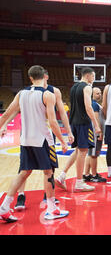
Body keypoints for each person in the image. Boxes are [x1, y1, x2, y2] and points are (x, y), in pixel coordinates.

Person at [0, 65, 69, 222]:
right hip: (42, 140)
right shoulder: (48, 95)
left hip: (25, 140)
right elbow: (52, 122)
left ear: (30, 78)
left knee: (24, 172)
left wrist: (1, 127)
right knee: (48, 172)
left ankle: (4, 207)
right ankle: (51, 209)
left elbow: (6, 115)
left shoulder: (21, 93)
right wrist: (63, 140)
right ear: (44, 76)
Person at [14, 69, 74, 210]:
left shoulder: (54, 92)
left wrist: (68, 131)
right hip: (29, 132)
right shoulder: (26, 92)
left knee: (49, 167)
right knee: (24, 167)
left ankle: (48, 197)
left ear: (46, 77)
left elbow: (62, 114)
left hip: (47, 133)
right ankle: (21, 196)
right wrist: (4, 124)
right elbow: (13, 111)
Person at [55, 67, 102, 192]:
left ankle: (61, 176)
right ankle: (79, 182)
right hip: (83, 123)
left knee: (77, 151)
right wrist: (96, 124)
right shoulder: (87, 87)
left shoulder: (73, 87)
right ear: (88, 76)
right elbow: (88, 107)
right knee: (83, 152)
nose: (93, 79)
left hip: (74, 122)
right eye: (93, 77)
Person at [83, 87, 107, 183]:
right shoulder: (94, 105)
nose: (100, 95)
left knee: (90, 154)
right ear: (92, 94)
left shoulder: (95, 104)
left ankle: (87, 174)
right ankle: (94, 175)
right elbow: (96, 118)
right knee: (94, 155)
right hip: (95, 133)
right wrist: (99, 132)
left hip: (93, 133)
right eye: (97, 93)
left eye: (100, 93)